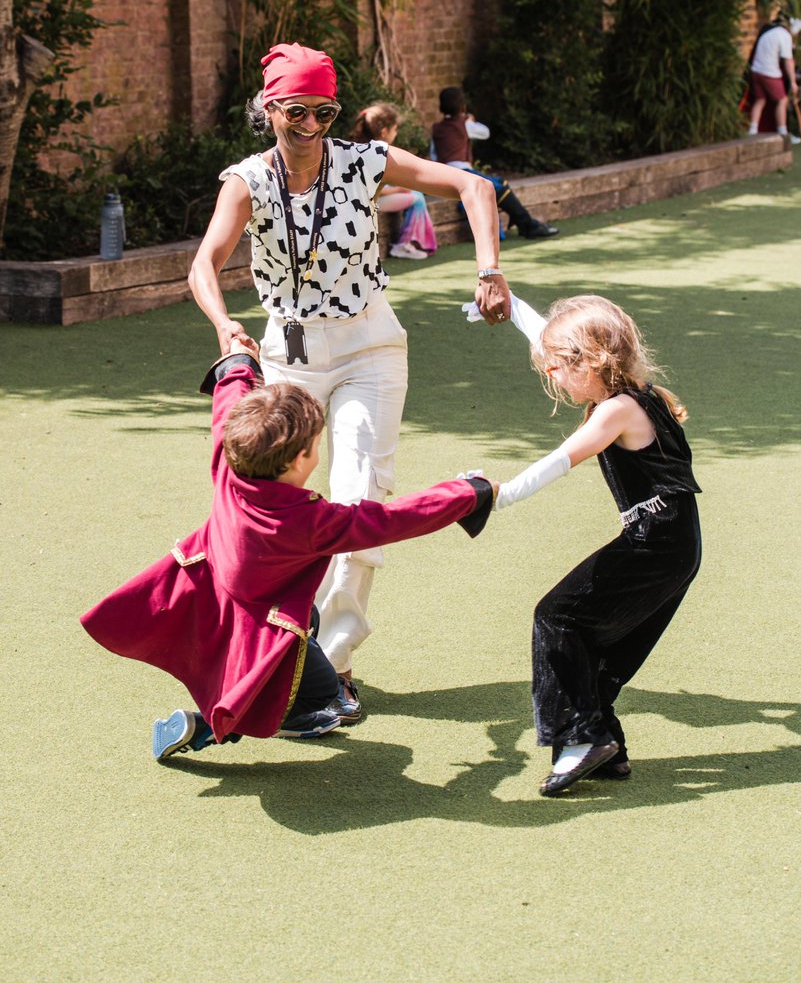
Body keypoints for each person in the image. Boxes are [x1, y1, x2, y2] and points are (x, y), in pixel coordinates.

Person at [187, 42, 510, 725]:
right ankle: (270, 641)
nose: (311, 124)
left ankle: (333, 661)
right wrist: (223, 325)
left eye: (325, 111)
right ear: (269, 109)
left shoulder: (365, 161)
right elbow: (203, 266)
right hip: (287, 351)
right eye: (297, 110)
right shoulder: (246, 180)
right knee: (274, 509)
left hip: (369, 344)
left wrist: (488, 270)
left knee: (358, 496)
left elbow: (473, 187)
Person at [80, 343, 496, 758]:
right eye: (317, 443)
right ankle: (206, 726)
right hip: (258, 630)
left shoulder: (230, 462)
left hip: (207, 594)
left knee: (308, 617)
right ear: (299, 460)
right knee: (320, 694)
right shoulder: (307, 522)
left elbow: (228, 404)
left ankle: (259, 708)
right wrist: (467, 494)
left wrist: (239, 364)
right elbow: (391, 519)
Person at [465, 292, 702, 797]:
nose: (551, 375)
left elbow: (559, 461)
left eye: (557, 366)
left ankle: (582, 737)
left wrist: (494, 497)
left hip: (655, 541)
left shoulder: (615, 411)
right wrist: (511, 305)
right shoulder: (642, 391)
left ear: (589, 362)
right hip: (676, 542)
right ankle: (605, 746)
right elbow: (546, 335)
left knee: (558, 616)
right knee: (595, 642)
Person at [431, 86, 559, 240]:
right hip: (462, 172)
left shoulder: (436, 129)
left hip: (444, 173)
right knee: (499, 186)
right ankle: (528, 226)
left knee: (499, 183)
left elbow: (433, 155)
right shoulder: (465, 125)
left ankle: (523, 223)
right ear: (462, 106)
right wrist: (469, 119)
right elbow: (485, 132)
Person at [350, 103, 437, 261]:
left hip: (377, 199)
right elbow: (372, 189)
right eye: (395, 129)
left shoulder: (363, 149)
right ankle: (405, 245)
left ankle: (411, 242)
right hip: (368, 203)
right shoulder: (374, 152)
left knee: (416, 194)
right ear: (384, 132)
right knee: (417, 198)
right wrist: (398, 190)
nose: (396, 133)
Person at [747, 15, 801, 141]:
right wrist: (793, 82)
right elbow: (788, 61)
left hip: (756, 71)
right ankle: (783, 133)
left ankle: (753, 131)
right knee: (782, 100)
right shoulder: (785, 36)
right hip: (769, 72)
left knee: (760, 100)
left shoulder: (771, 32)